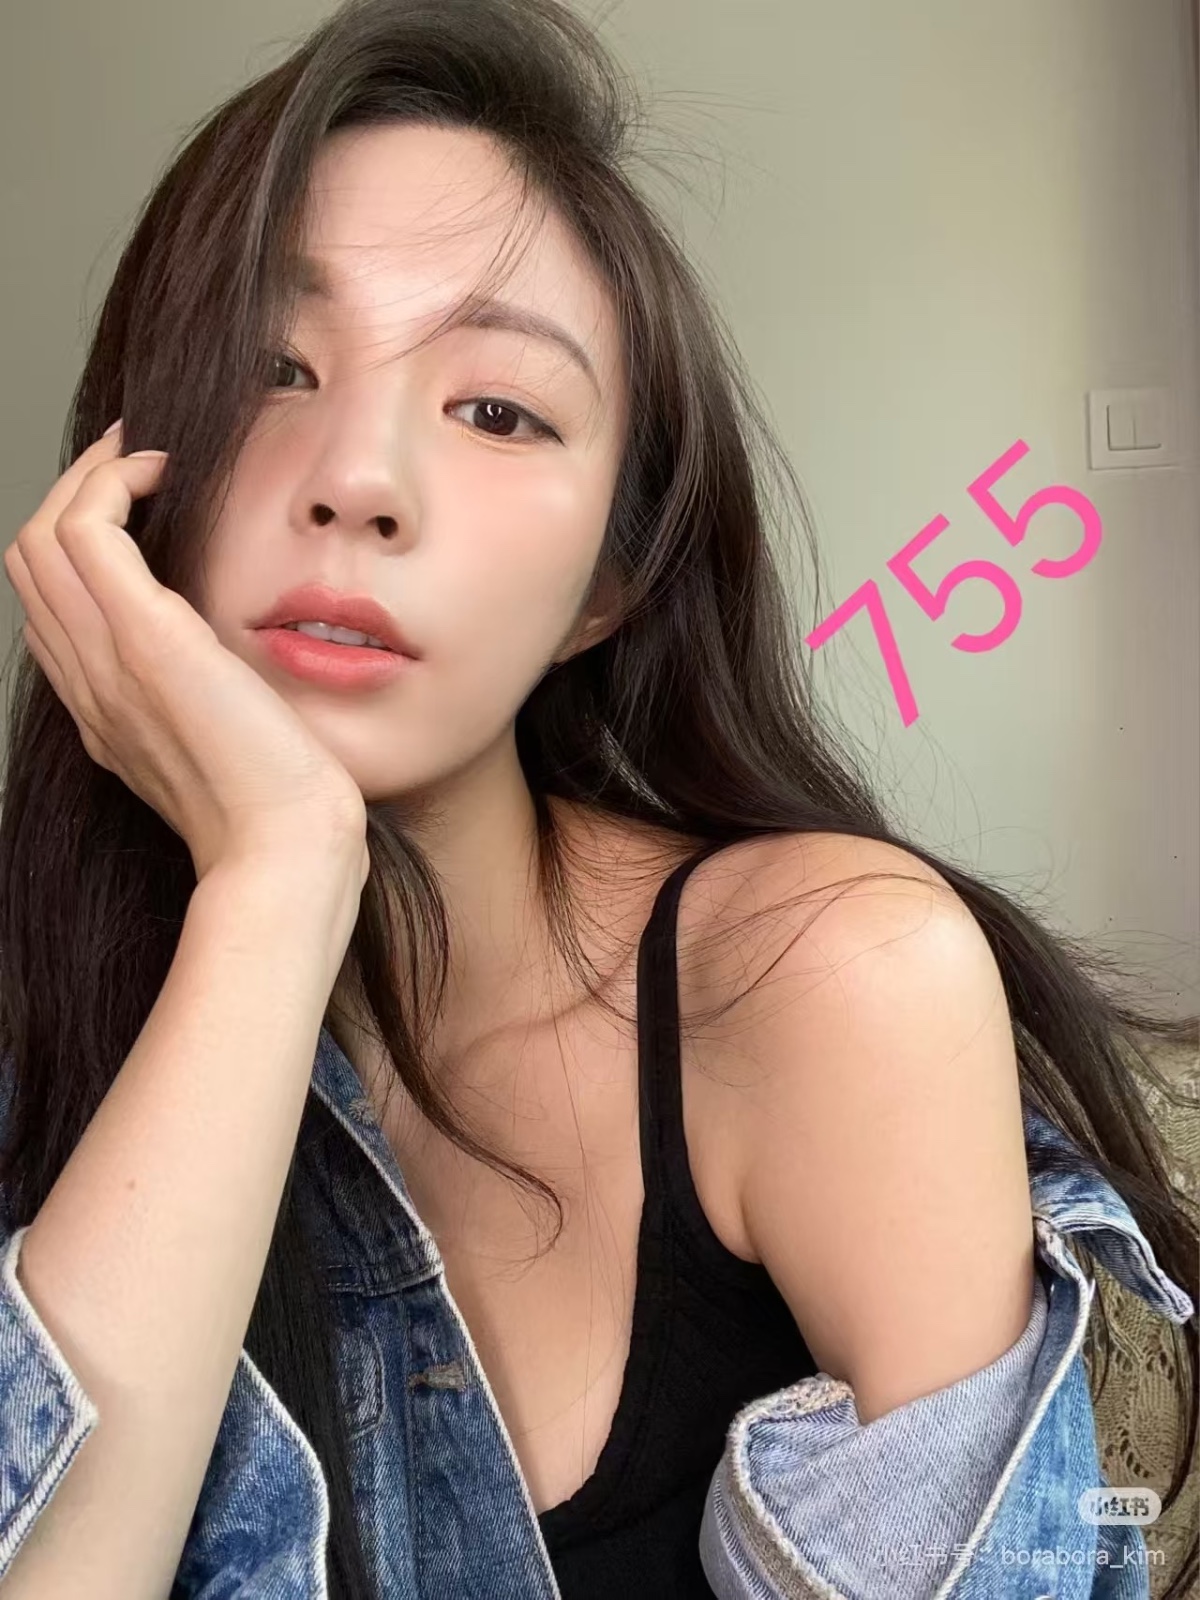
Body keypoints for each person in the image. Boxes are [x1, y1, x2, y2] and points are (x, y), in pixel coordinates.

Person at [0, 0, 1194, 1596]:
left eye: (497, 409)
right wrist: (277, 882)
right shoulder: (45, 1015)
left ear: (606, 588)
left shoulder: (827, 976)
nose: (356, 477)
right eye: (270, 367)